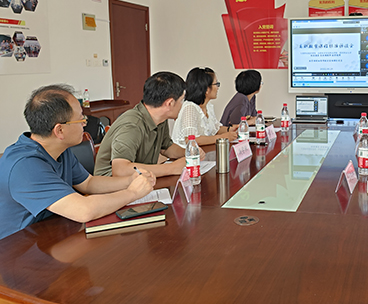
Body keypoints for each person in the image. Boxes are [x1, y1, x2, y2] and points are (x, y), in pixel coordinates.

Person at [0, 85, 156, 240]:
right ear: (59, 130)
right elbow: (84, 210)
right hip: (19, 246)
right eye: (81, 119)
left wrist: (129, 181)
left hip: (52, 233)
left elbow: (88, 183)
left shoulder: (59, 149)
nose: (85, 124)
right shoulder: (24, 166)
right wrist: (132, 193)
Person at [94, 71, 204, 177]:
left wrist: (189, 153)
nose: (182, 105)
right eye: (181, 100)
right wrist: (172, 168)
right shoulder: (132, 125)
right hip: (112, 184)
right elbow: (120, 170)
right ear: (170, 103)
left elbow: (166, 148)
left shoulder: (160, 118)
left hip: (140, 179)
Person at [171, 67, 239, 147]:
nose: (218, 88)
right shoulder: (190, 108)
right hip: (187, 153)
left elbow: (215, 129)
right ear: (206, 89)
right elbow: (191, 140)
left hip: (203, 151)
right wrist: (221, 137)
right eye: (216, 84)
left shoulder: (208, 106)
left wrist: (230, 129)